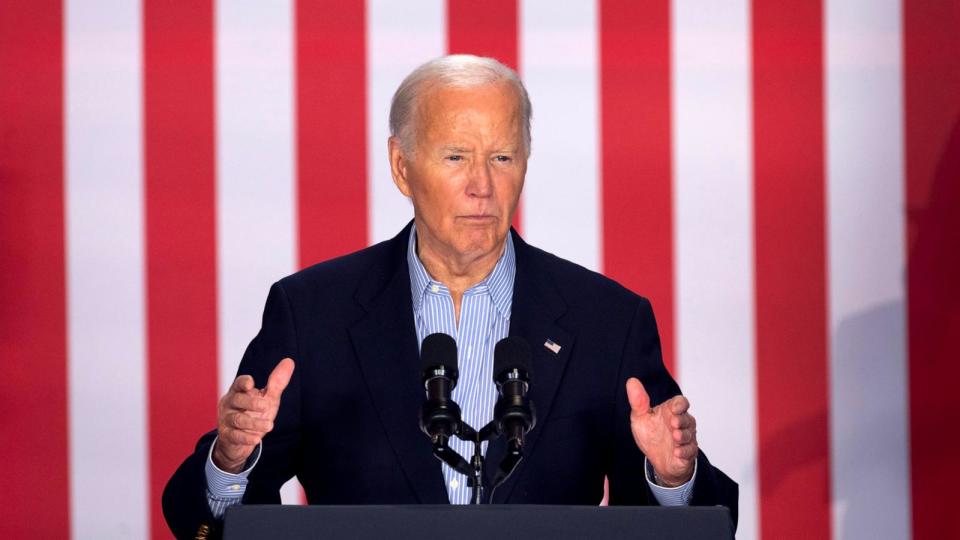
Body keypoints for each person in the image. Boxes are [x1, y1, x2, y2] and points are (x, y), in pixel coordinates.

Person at [163, 55, 737, 539]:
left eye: (502, 157)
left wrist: (671, 477)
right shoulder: (314, 314)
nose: (481, 185)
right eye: (456, 157)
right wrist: (231, 461)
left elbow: (700, 518)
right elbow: (207, 519)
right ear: (401, 166)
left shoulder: (606, 320)